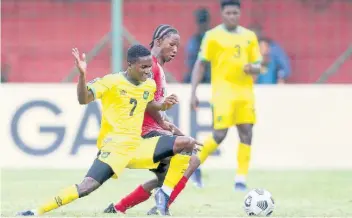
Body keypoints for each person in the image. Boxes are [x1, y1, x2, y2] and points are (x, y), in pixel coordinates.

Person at [16, 44, 200, 216]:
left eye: (148, 67)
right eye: (142, 67)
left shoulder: (149, 84)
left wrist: (162, 106)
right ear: (130, 65)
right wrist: (82, 75)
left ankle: (163, 196)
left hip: (138, 146)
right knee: (86, 187)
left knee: (187, 144)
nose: (147, 71)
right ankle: (36, 211)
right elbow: (84, 99)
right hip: (114, 149)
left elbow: (148, 103)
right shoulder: (111, 82)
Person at [103, 25, 201, 216]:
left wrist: (173, 129)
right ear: (158, 42)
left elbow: (154, 107)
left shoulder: (156, 67)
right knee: (192, 160)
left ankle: (118, 208)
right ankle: (160, 206)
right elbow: (147, 103)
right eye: (172, 44)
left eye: (177, 47)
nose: (175, 50)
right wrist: (168, 127)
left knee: (165, 177)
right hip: (144, 133)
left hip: (149, 130)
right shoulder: (152, 67)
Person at [190, 0, 265, 191]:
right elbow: (201, 63)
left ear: (239, 14)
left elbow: (259, 65)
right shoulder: (212, 36)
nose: (232, 16)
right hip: (223, 92)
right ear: (222, 14)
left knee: (247, 133)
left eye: (235, 13)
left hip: (245, 93)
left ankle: (240, 179)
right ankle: (195, 163)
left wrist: (252, 68)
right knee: (220, 134)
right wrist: (193, 91)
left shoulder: (249, 37)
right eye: (229, 13)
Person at [183, 8, 211, 84]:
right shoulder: (194, 40)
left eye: (204, 21)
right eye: (201, 22)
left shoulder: (213, 39)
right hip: (197, 73)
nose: (202, 24)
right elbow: (189, 62)